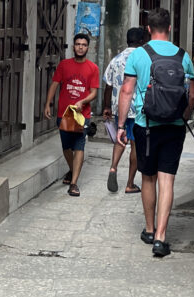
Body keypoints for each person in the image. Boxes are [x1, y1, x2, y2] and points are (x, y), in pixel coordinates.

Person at [117, 8, 194, 258]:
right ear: (170, 28)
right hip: (174, 127)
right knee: (167, 180)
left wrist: (121, 126)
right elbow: (192, 96)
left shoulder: (139, 55)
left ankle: (149, 229)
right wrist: (182, 117)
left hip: (145, 125)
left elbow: (127, 91)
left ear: (148, 29)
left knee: (148, 177)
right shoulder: (183, 56)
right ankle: (161, 238)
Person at [44, 33, 99, 197]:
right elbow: (54, 85)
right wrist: (48, 104)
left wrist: (83, 102)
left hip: (82, 115)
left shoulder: (93, 68)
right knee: (66, 147)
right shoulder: (64, 65)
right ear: (73, 46)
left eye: (83, 44)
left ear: (87, 48)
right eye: (77, 44)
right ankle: (71, 170)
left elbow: (94, 92)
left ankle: (74, 183)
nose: (80, 47)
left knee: (79, 146)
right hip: (64, 113)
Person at [101, 26, 146, 194]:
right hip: (137, 109)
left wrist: (107, 106)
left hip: (119, 108)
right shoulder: (142, 59)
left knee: (120, 140)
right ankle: (130, 183)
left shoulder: (116, 59)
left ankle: (113, 167)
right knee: (135, 145)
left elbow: (108, 86)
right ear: (142, 41)